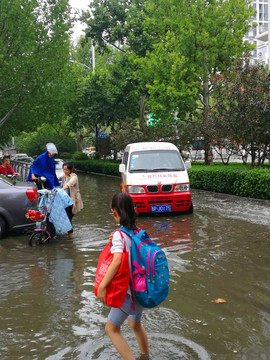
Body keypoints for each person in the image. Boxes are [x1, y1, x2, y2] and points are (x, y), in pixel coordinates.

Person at [97, 193, 149, 360]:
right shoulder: (139, 232)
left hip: (128, 294)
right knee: (135, 324)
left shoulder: (120, 234)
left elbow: (117, 261)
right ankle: (145, 356)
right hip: (142, 291)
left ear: (114, 212)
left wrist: (103, 286)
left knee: (111, 329)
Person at [61, 162, 83, 238]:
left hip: (72, 200)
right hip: (65, 200)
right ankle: (68, 234)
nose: (65, 171)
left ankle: (70, 236)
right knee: (65, 217)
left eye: (67, 170)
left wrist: (63, 188)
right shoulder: (63, 176)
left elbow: (70, 184)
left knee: (68, 218)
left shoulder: (74, 177)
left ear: (71, 169)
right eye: (64, 169)